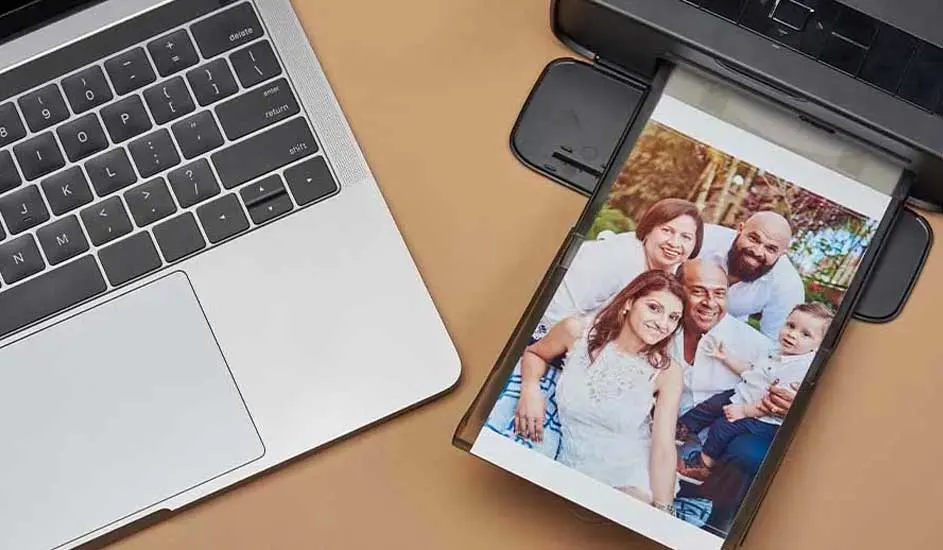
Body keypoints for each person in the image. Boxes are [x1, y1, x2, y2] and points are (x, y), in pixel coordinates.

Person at [513, 270, 686, 511]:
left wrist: (663, 509)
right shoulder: (575, 332)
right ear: (628, 303)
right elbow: (534, 353)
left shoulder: (667, 372)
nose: (662, 323)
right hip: (572, 463)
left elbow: (663, 446)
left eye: (673, 317)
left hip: (631, 473)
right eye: (654, 308)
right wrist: (530, 389)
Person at [675, 302, 834, 480]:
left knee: (723, 427)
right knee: (710, 406)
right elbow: (752, 371)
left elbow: (774, 403)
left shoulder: (800, 368)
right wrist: (726, 358)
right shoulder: (775, 350)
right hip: (743, 395)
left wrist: (744, 411)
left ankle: (704, 466)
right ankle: (681, 428)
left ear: (818, 346)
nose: (792, 334)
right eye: (790, 325)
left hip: (761, 416)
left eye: (805, 334)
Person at [538, 198, 704, 335]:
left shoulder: (673, 275)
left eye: (686, 237)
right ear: (648, 230)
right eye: (667, 230)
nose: (674, 243)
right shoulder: (614, 256)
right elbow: (557, 311)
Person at [668, 259, 772, 415]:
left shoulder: (758, 346)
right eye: (698, 291)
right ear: (677, 290)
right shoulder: (660, 329)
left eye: (719, 293)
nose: (710, 302)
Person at [697, 212, 805, 340]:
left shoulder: (788, 285)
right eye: (753, 239)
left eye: (770, 249)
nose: (757, 251)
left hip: (724, 333)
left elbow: (774, 342)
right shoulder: (704, 237)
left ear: (782, 254)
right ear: (740, 229)